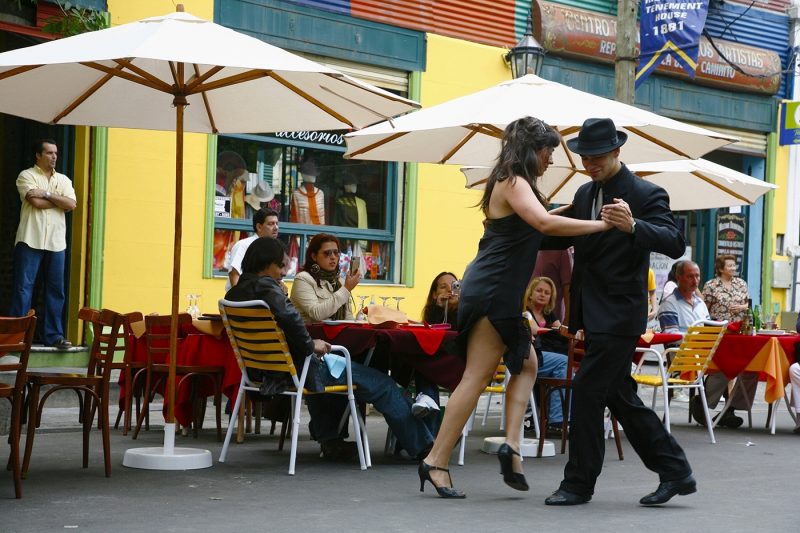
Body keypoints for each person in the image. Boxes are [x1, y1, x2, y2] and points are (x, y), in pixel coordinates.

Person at [419, 116, 610, 499]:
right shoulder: (512, 180)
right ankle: (436, 461)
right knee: (476, 376)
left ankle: (512, 446)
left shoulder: (513, 182)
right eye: (548, 152)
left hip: (494, 287)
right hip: (493, 290)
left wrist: (578, 207)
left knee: (527, 363)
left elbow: (536, 229)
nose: (550, 160)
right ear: (532, 150)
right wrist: (602, 225)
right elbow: (543, 224)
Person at [543, 118, 694, 507]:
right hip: (591, 313)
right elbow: (561, 231)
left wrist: (634, 226)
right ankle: (675, 470)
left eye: (596, 157)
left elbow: (675, 242)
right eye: (583, 157)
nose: (589, 164)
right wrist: (514, 221)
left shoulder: (646, 192)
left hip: (620, 314)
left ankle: (578, 483)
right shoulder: (584, 191)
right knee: (619, 396)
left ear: (616, 152)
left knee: (588, 391)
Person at [225, 237, 434, 460]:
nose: (283, 272)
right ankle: (424, 447)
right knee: (382, 383)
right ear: (266, 264)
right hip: (298, 370)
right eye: (280, 265)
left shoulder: (234, 295)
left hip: (263, 372)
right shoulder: (269, 289)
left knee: (341, 368)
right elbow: (290, 317)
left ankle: (331, 441)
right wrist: (310, 344)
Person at [10, 139, 77, 348]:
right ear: (38, 156)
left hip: (56, 243)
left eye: (55, 153)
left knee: (56, 290)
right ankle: (16, 337)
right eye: (49, 153)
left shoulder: (64, 180)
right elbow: (34, 202)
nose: (54, 157)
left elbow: (72, 204)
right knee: (23, 288)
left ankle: (54, 336)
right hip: (30, 239)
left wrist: (47, 193)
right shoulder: (26, 176)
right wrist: (59, 202)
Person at [523, 276, 569, 436]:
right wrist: (556, 330)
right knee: (564, 363)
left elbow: (562, 329)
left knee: (569, 371)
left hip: (544, 356)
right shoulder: (525, 311)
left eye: (547, 293)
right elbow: (534, 329)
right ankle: (557, 420)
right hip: (530, 356)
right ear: (531, 292)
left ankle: (560, 419)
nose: (543, 294)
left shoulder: (549, 314)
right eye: (539, 290)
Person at [290, 233, 360, 323]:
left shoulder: (340, 281)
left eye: (336, 253)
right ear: (314, 256)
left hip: (337, 334)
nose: (333, 257)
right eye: (327, 253)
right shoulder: (303, 279)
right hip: (311, 335)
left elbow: (348, 319)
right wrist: (346, 289)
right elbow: (317, 314)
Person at [224, 208, 279, 290]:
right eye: (271, 224)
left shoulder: (274, 249)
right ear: (259, 227)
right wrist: (240, 298)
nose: (276, 228)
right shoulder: (243, 245)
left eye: (276, 223)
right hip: (245, 299)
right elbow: (234, 274)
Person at [701, 254, 749, 323]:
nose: (733, 268)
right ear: (720, 269)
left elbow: (749, 304)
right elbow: (704, 309)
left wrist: (741, 307)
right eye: (730, 266)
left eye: (734, 265)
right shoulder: (711, 285)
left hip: (739, 328)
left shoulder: (741, 283)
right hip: (718, 329)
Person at [532, 249, 573, 323]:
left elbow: (568, 287)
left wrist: (568, 318)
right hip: (529, 317)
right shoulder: (530, 246)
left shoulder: (562, 251)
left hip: (552, 319)